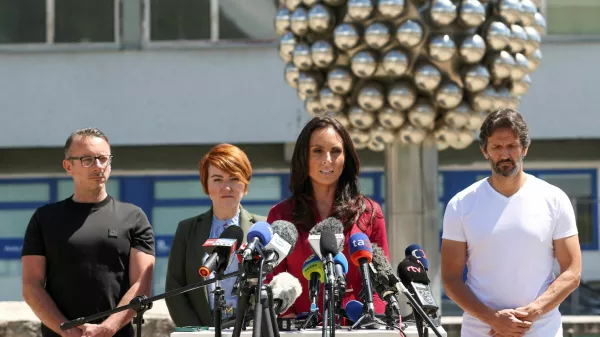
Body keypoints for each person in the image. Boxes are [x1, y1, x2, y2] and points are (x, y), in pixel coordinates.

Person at [441, 108, 582, 337]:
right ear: (485, 151)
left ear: (524, 148)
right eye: (496, 147)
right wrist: (493, 319)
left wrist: (531, 313)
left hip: (541, 330)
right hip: (481, 331)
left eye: (512, 146)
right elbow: (450, 278)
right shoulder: (461, 204)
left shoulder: (554, 199)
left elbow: (572, 272)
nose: (504, 154)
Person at [21, 128, 156, 337]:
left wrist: (108, 328)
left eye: (103, 159)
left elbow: (142, 285)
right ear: (68, 166)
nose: (98, 166)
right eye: (87, 160)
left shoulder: (134, 217)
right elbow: (31, 285)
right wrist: (67, 330)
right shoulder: (44, 218)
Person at [267, 116, 390, 316]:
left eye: (336, 151)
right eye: (317, 151)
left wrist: (372, 325)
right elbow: (273, 279)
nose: (327, 159)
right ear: (303, 157)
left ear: (346, 158)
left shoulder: (369, 211)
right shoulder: (281, 215)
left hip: (358, 329)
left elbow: (380, 281)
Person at [165, 143, 267, 326]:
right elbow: (175, 289)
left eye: (234, 178)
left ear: (245, 184)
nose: (226, 187)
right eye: (217, 179)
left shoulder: (263, 228)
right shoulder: (187, 229)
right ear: (206, 185)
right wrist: (198, 332)